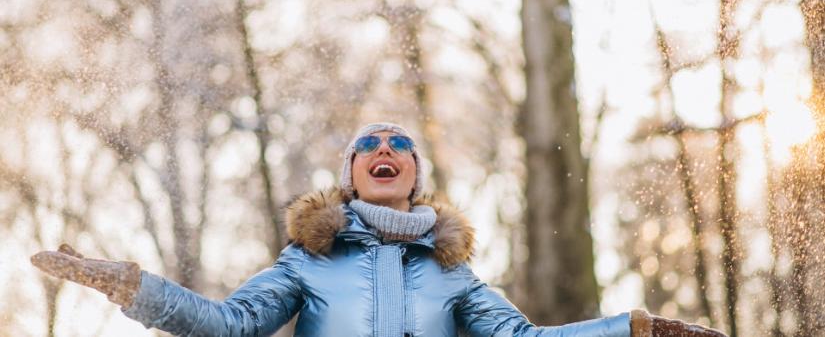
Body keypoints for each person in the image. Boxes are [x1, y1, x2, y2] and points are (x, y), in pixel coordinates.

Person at [31, 122, 727, 337]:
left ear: (414, 174)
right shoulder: (306, 261)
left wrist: (632, 331)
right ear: (350, 173)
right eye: (368, 144)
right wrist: (128, 285)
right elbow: (228, 325)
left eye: (399, 143)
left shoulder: (451, 273)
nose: (383, 148)